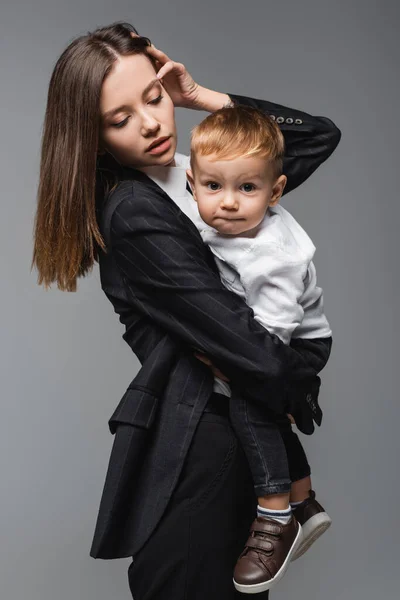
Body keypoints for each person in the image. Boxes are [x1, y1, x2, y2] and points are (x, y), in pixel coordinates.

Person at [32, 21, 341, 600]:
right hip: (206, 436)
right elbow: (255, 354)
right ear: (90, 136)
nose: (151, 122)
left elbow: (317, 137)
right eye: (119, 119)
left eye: (153, 97)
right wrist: (296, 374)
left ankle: (291, 508)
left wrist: (205, 99)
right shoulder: (132, 211)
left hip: (233, 429)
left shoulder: (200, 178)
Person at [165, 104, 331, 593]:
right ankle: (304, 499)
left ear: (275, 191)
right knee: (260, 408)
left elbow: (269, 348)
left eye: (248, 188)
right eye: (214, 187)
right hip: (264, 335)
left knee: (251, 406)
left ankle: (274, 517)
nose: (229, 203)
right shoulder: (209, 212)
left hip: (295, 341)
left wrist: (228, 363)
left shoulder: (274, 255)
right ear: (193, 183)